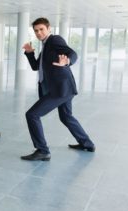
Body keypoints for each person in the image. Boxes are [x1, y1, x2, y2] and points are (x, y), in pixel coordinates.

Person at [21, 17, 95, 161]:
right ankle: (87, 144)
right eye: (36, 31)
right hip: (63, 88)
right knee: (66, 116)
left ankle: (42, 150)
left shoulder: (54, 40)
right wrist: (30, 53)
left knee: (32, 115)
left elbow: (72, 53)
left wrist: (67, 61)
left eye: (41, 29)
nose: (39, 33)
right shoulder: (45, 45)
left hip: (60, 89)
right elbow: (36, 66)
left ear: (49, 29)